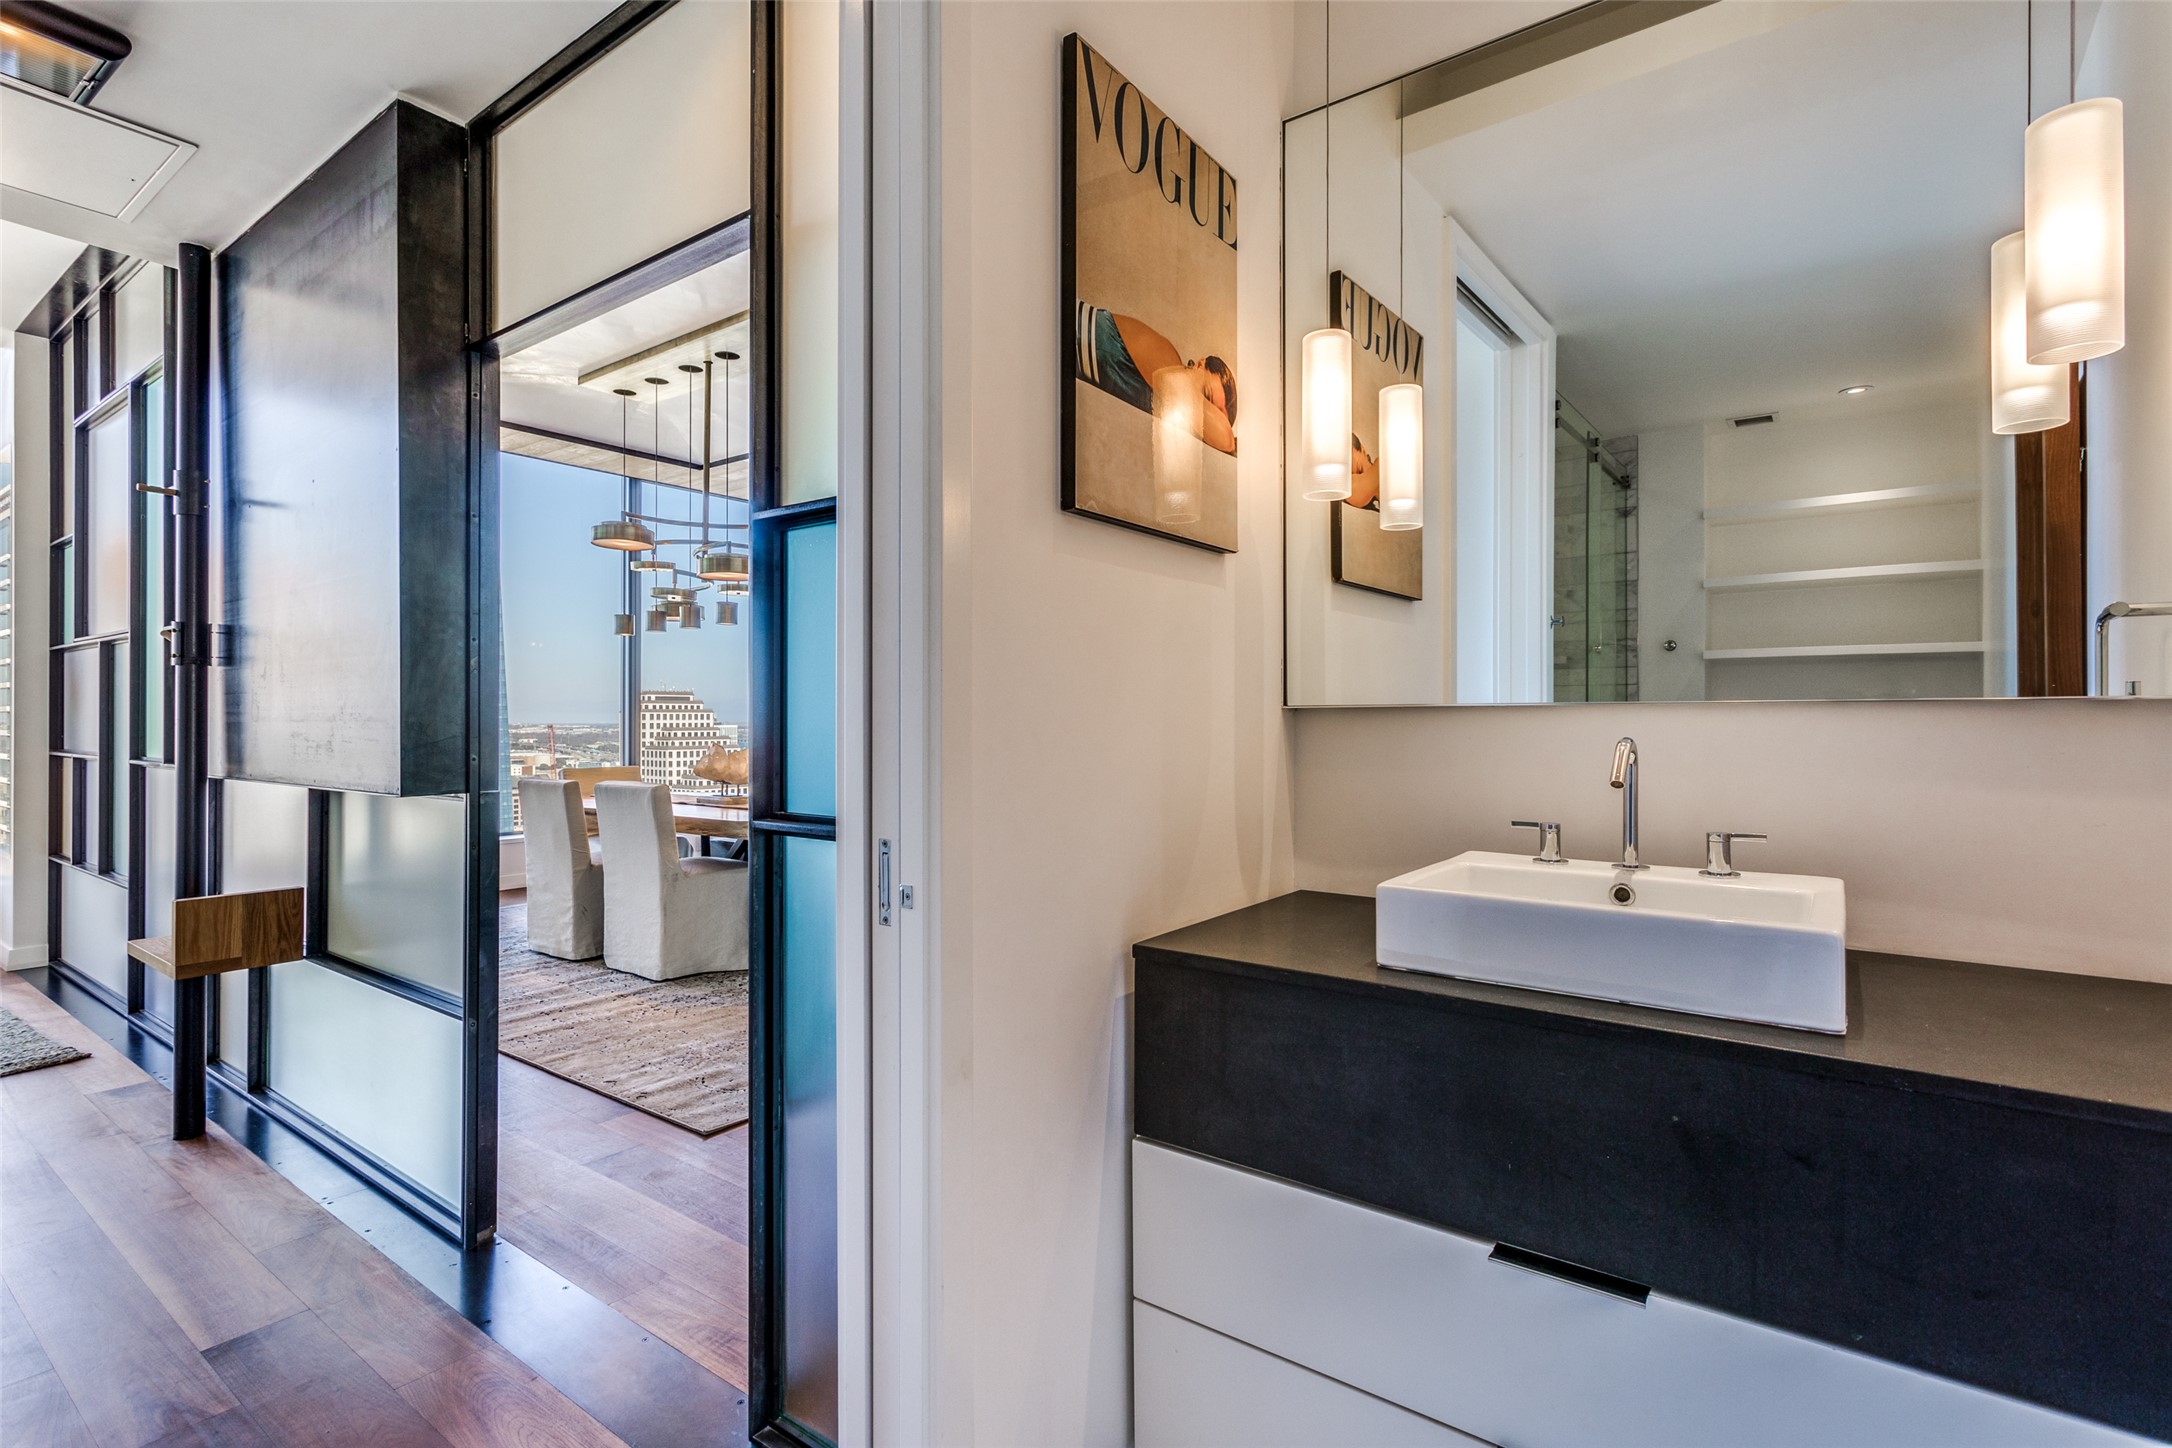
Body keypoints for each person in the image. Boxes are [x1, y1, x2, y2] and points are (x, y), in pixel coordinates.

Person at [1074, 301, 1237, 454]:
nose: (1205, 407)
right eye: (1206, 394)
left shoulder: (1169, 410)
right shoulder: (1168, 358)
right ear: (1200, 364)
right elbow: (1225, 438)